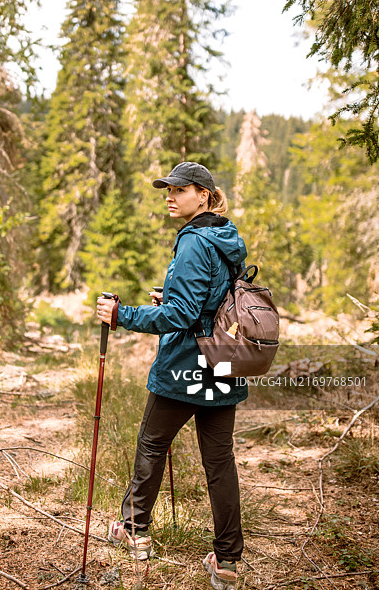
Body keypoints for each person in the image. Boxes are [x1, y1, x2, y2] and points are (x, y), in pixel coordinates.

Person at [96, 161, 248, 590]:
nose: (170, 195)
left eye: (180, 189)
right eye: (168, 188)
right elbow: (213, 302)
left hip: (186, 364)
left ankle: (134, 531)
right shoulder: (225, 237)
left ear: (203, 195)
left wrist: (121, 315)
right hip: (223, 361)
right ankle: (228, 561)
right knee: (220, 462)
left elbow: (180, 315)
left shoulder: (193, 242)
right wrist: (176, 297)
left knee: (152, 443)